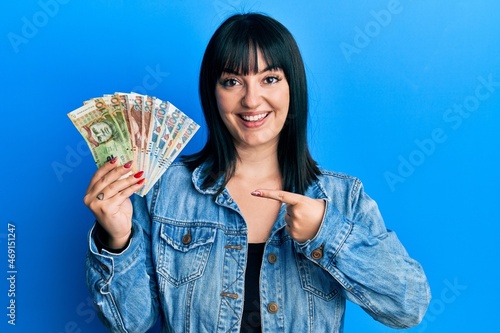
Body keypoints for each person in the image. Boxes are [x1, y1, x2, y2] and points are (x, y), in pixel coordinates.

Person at [83, 13, 431, 333]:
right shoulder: (164, 192)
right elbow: (128, 323)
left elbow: (408, 305)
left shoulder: (342, 197)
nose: (252, 100)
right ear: (213, 93)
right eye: (233, 81)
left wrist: (326, 232)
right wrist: (116, 240)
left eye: (270, 78)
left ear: (292, 88)